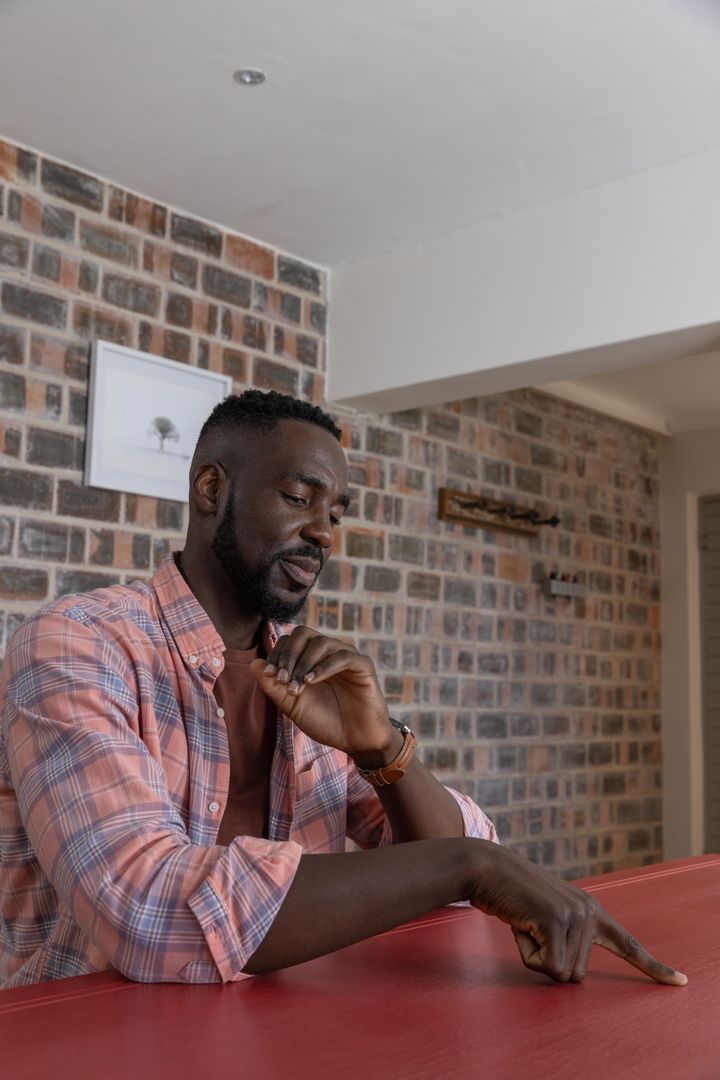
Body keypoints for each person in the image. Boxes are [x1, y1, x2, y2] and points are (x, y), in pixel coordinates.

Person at [0, 390, 686, 990]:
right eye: (299, 498)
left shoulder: (305, 675)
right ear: (211, 490)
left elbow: (440, 879)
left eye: (337, 512)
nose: (323, 533)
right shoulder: (77, 645)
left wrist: (380, 748)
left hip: (279, 1036)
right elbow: (146, 911)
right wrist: (470, 866)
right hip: (79, 1038)